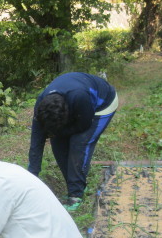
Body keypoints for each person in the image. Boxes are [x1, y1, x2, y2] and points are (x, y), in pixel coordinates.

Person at [27, 72, 118, 211]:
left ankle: (76, 194)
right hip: (76, 104)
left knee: (79, 143)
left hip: (103, 104)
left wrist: (61, 132)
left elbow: (84, 125)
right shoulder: (41, 106)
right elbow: (36, 142)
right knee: (57, 143)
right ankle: (73, 184)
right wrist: (31, 177)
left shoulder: (79, 97)